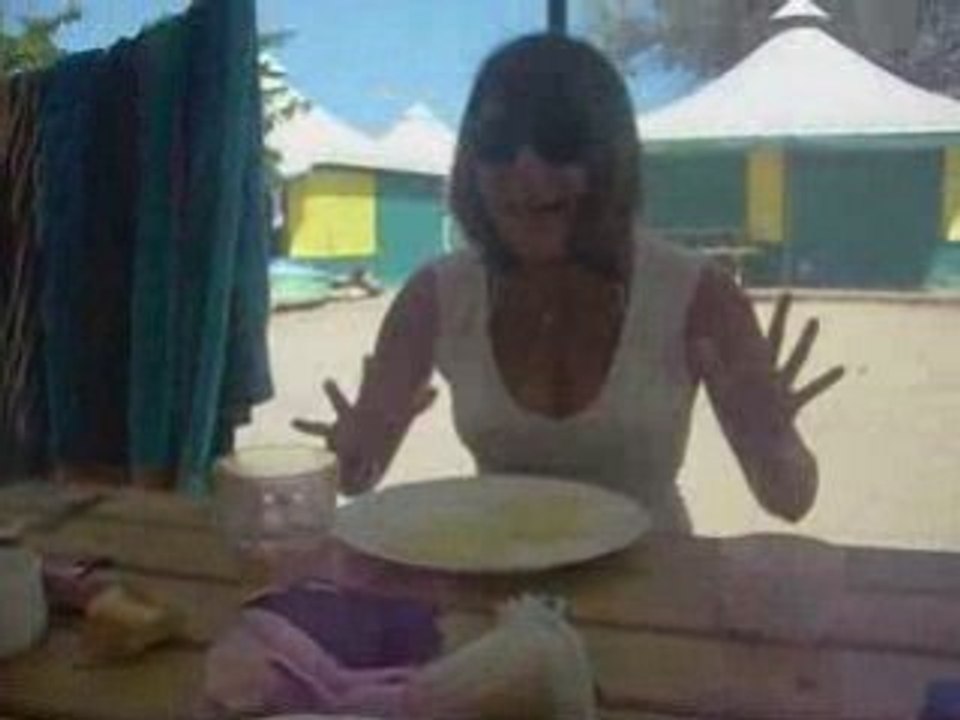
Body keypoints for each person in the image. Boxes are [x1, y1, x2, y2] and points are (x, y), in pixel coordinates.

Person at [293, 33, 844, 532]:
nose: (526, 171)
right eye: (497, 144)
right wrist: (351, 454)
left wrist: (771, 438)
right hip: (498, 585)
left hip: (654, 588)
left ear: (612, 158)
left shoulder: (700, 295)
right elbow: (357, 479)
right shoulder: (434, 297)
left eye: (560, 142)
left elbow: (790, 501)